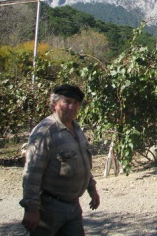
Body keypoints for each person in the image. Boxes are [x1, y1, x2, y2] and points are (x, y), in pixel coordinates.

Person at [20, 84, 100, 235]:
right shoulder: (45, 132)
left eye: (76, 103)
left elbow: (83, 164)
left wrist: (92, 189)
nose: (72, 107)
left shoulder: (76, 129)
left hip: (73, 206)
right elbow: (32, 173)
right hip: (49, 208)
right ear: (55, 104)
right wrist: (31, 209)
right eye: (67, 102)